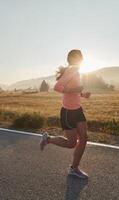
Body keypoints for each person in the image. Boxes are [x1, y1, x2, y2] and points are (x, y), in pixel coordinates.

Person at [40, 49, 91, 179]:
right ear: (73, 59)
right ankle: (48, 139)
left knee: (84, 138)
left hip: (77, 110)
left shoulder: (76, 71)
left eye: (81, 57)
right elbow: (57, 87)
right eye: (79, 57)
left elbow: (74, 90)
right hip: (68, 112)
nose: (81, 59)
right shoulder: (71, 70)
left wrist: (83, 94)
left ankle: (74, 168)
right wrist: (75, 89)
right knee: (72, 143)